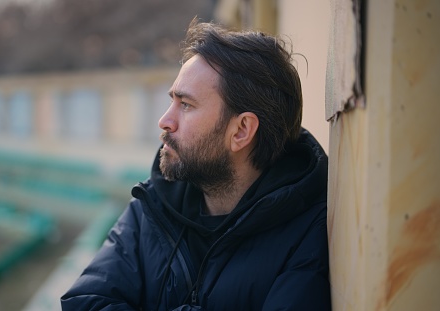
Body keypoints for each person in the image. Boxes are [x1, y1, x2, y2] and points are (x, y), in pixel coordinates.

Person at [61, 19, 331, 310]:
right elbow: (84, 303)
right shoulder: (151, 208)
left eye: (186, 105)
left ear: (241, 131)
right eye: (171, 101)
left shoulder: (308, 231)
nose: (165, 121)